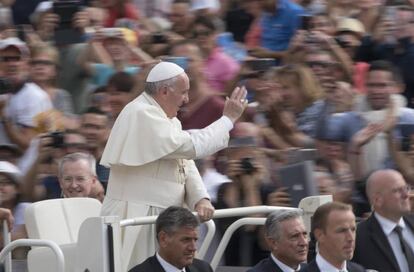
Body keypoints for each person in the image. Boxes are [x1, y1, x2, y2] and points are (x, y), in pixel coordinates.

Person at [100, 61, 247, 270]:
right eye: (184, 92)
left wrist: (200, 198)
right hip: (137, 214)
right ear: (164, 91)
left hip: (164, 216)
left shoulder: (167, 119)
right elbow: (192, 147)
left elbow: (184, 164)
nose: (187, 99)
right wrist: (227, 119)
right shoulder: (141, 113)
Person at [352, 169, 414, 272]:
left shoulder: (411, 224)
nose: (406, 195)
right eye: (397, 190)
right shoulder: (358, 238)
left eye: (406, 188)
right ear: (377, 200)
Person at [128, 206, 213, 272]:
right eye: (186, 240)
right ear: (163, 239)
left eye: (195, 240)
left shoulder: (204, 269)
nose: (193, 248)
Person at [300, 202, 365, 272]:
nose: (350, 238)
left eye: (353, 229)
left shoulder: (359, 270)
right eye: (342, 231)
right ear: (320, 235)